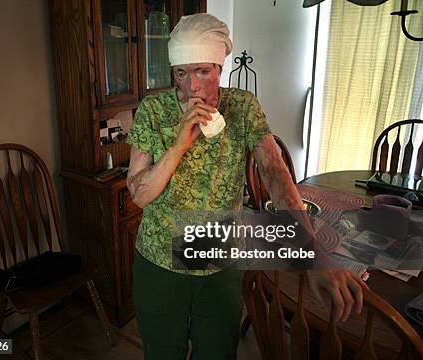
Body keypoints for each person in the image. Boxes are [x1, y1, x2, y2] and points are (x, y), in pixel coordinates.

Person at [126, 13, 367, 359]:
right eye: (182, 73)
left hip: (219, 264)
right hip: (159, 266)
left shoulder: (242, 106)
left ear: (220, 69)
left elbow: (274, 173)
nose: (192, 87)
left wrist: (312, 252)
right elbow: (139, 194)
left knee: (219, 352)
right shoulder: (153, 110)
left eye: (203, 72)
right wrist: (180, 143)